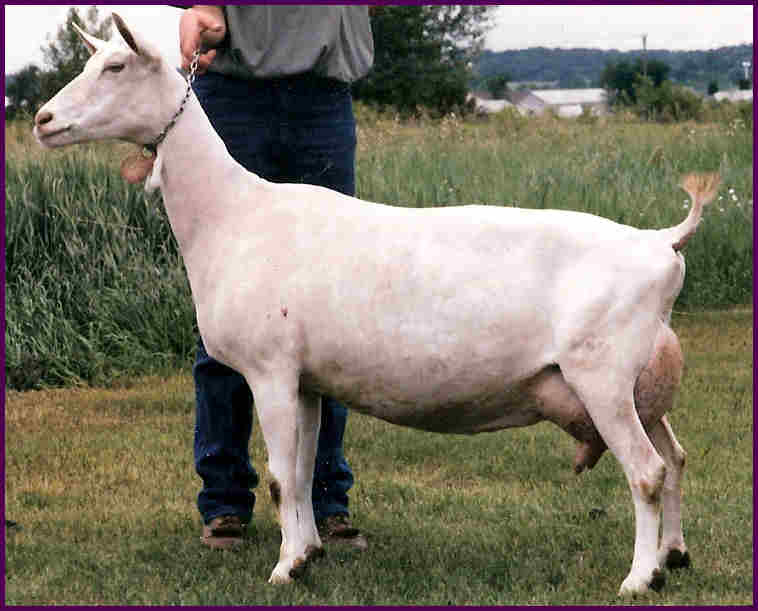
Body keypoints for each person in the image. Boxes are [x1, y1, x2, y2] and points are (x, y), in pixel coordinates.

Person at [176, 5, 374, 550]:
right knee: (229, 311)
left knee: (331, 317)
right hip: (234, 92)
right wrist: (204, 8)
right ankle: (224, 500)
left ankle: (326, 500)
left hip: (323, 94)